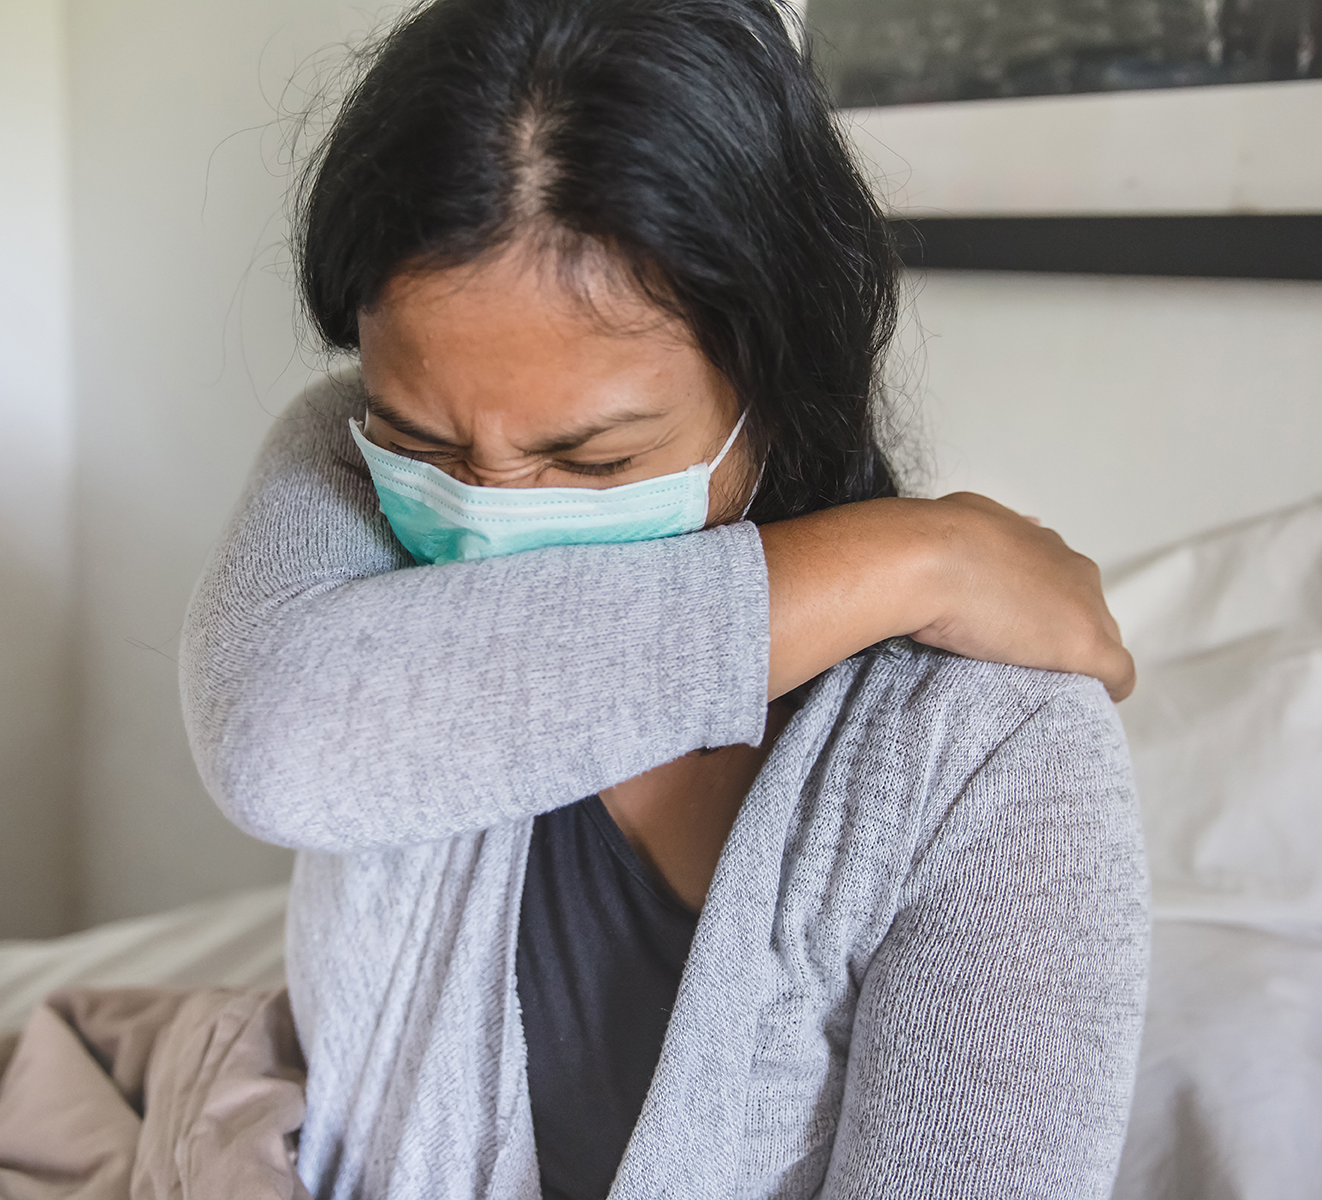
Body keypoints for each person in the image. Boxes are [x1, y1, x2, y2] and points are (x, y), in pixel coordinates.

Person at [181, 1, 1149, 1196]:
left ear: (782, 389)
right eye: (427, 441)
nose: (490, 509)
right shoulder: (345, 461)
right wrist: (917, 558)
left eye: (591, 461)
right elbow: (277, 741)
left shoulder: (987, 759)